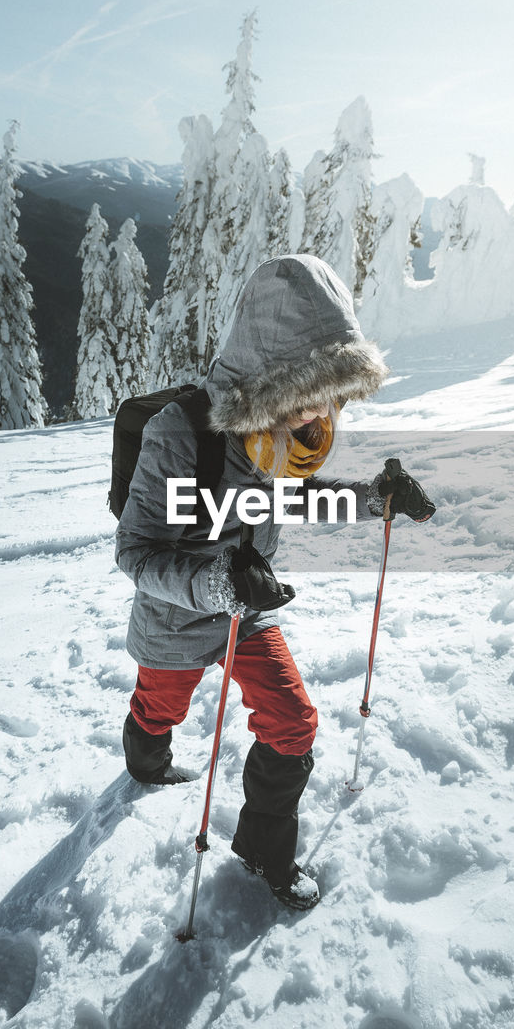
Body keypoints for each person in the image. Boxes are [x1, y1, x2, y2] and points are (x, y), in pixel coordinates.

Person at [115, 254, 435, 910]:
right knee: (160, 707)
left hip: (248, 613)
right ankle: (145, 761)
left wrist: (375, 499)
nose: (320, 411)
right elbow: (137, 552)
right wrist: (214, 587)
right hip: (177, 620)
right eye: (308, 391)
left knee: (293, 721)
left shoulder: (282, 432)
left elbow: (290, 499)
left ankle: (264, 852)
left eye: (330, 391)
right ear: (266, 379)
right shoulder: (181, 435)